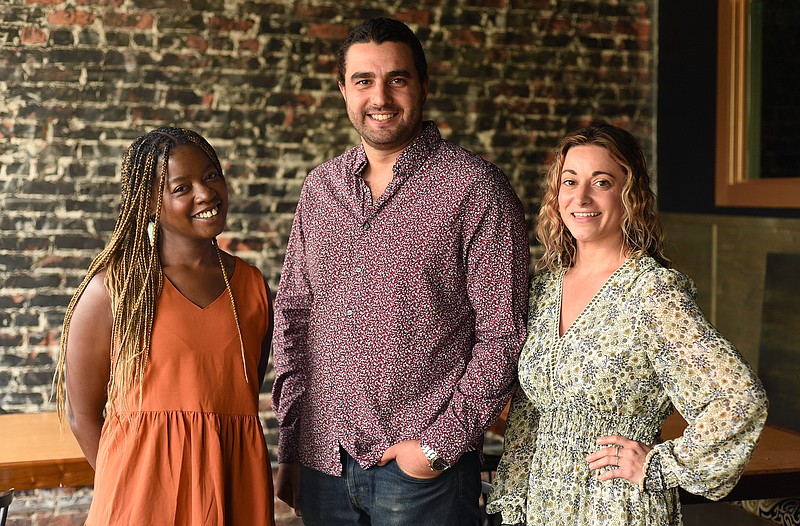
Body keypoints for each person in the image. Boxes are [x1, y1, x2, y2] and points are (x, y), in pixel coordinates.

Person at [271, 17, 530, 526]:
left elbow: (504, 334)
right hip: (324, 463)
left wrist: (436, 447)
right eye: (364, 80)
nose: (380, 96)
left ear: (424, 85)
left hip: (421, 477)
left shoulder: (475, 188)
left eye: (397, 78)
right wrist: (293, 443)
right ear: (343, 89)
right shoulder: (321, 189)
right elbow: (293, 317)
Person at [487, 122, 768, 525]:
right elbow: (531, 415)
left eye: (601, 182)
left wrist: (659, 463)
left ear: (629, 193)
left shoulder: (651, 293)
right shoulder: (544, 289)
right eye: (570, 181)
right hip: (543, 505)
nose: (581, 197)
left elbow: (740, 399)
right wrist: (513, 503)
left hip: (614, 508)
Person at [53, 127, 276, 525]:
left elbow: (238, 397)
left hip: (234, 491)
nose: (206, 193)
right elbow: (82, 414)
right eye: (180, 187)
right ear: (150, 204)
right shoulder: (116, 288)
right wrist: (127, 482)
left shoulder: (252, 287)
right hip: (141, 502)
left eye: (210, 176)